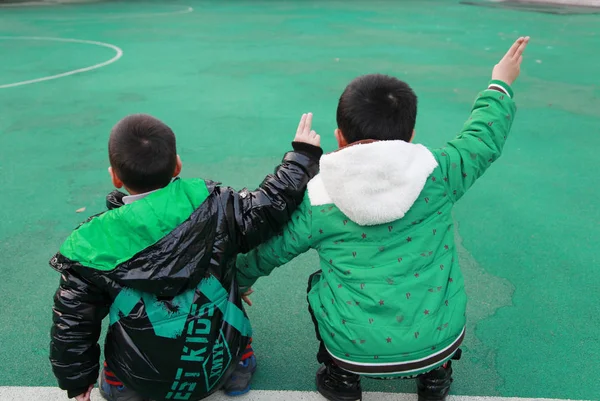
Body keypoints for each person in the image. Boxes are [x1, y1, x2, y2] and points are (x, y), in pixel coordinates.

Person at [236, 37, 530, 401]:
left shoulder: (319, 196)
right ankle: (436, 376)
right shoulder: (439, 173)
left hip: (352, 349)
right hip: (439, 340)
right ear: (410, 136)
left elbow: (271, 251)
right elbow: (484, 136)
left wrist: (236, 279)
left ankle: (342, 379)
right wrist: (500, 84)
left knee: (318, 284)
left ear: (339, 138)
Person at [49, 113, 322, 401]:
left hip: (140, 382)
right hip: (216, 368)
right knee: (223, 283)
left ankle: (118, 384)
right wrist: (302, 157)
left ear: (115, 177)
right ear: (177, 164)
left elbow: (73, 324)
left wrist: (78, 382)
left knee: (114, 377)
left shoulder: (92, 244)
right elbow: (269, 205)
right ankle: (240, 365)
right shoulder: (216, 205)